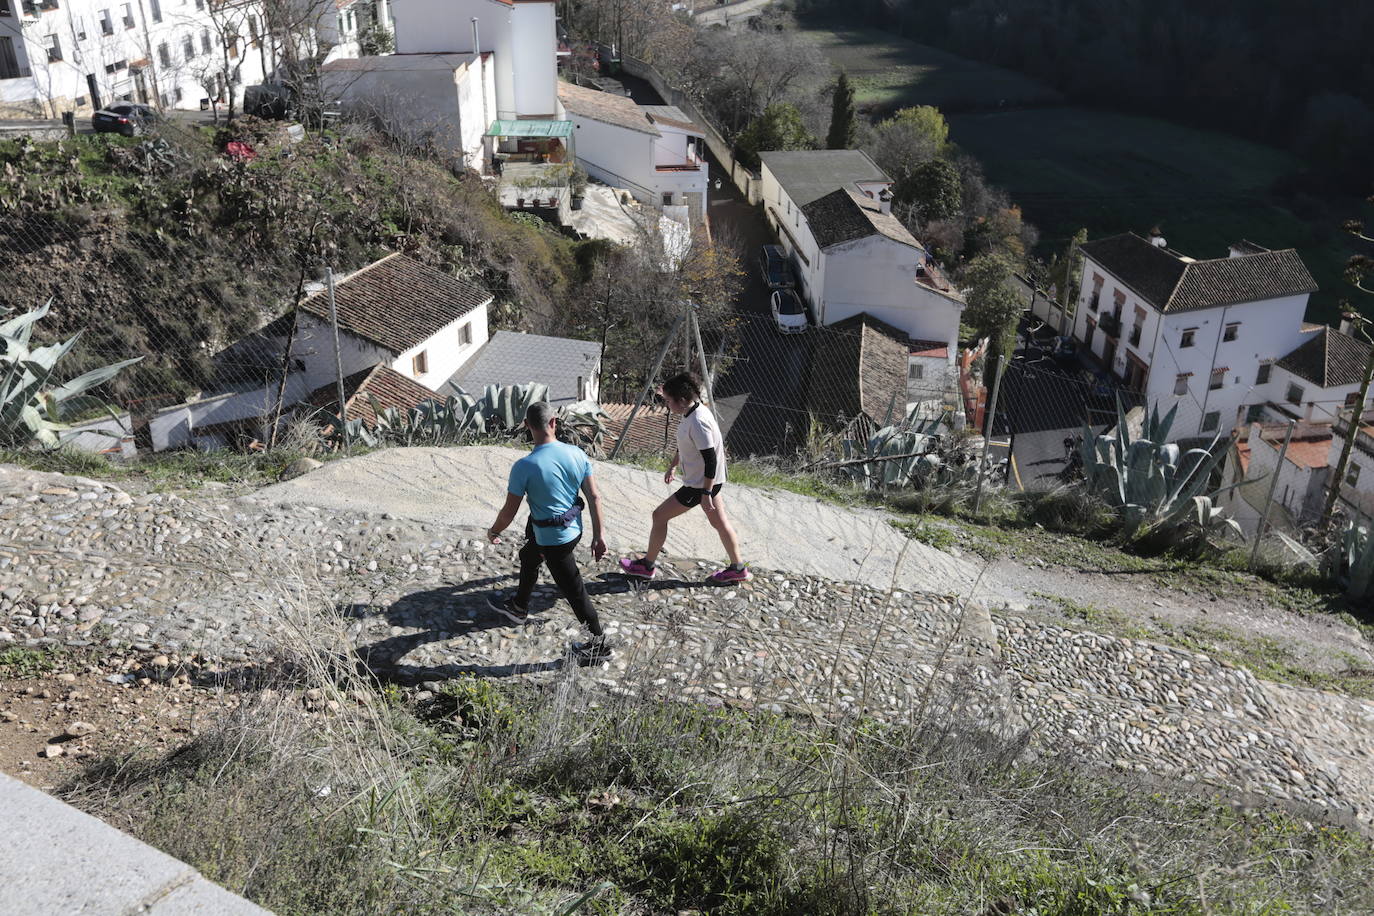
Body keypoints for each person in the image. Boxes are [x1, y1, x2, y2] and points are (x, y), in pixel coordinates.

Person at [486, 402, 610, 664]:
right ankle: (519, 606)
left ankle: (599, 646)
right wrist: (599, 536)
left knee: (575, 591)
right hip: (574, 529)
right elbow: (595, 497)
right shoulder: (577, 453)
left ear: (527, 426)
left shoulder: (524, 466)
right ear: (554, 423)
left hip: (554, 541)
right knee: (529, 554)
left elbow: (509, 512)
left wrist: (494, 530)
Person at [620, 371, 750, 583]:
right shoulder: (695, 411)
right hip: (712, 481)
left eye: (669, 401)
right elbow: (688, 447)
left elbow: (710, 460)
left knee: (659, 516)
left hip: (700, 486)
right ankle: (738, 568)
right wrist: (673, 466)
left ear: (681, 401)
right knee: (720, 522)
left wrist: (706, 493)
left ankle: (646, 566)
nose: (667, 405)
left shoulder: (698, 422)